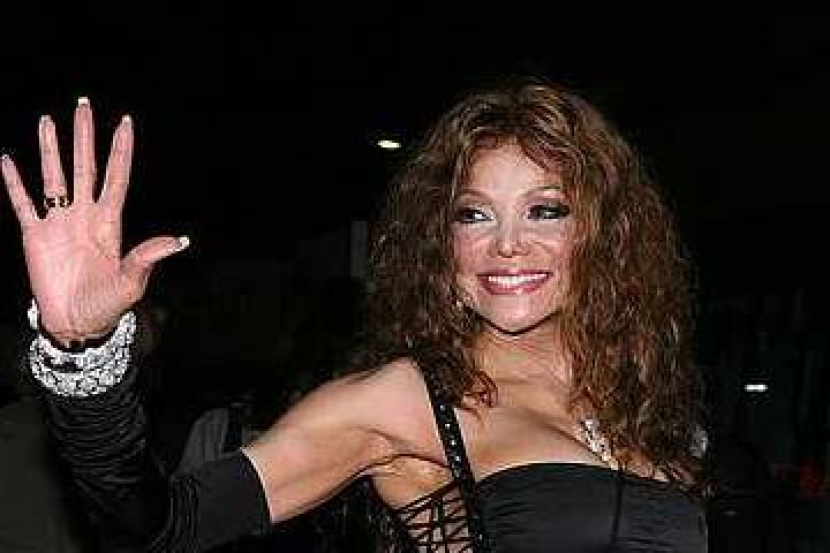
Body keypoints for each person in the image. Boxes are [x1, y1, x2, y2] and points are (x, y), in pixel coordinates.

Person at [1, 77, 709, 552]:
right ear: (441, 244)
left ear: (603, 233)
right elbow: (162, 525)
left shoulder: (636, 404)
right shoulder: (408, 399)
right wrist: (82, 346)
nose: (507, 244)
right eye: (474, 215)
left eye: (545, 210)